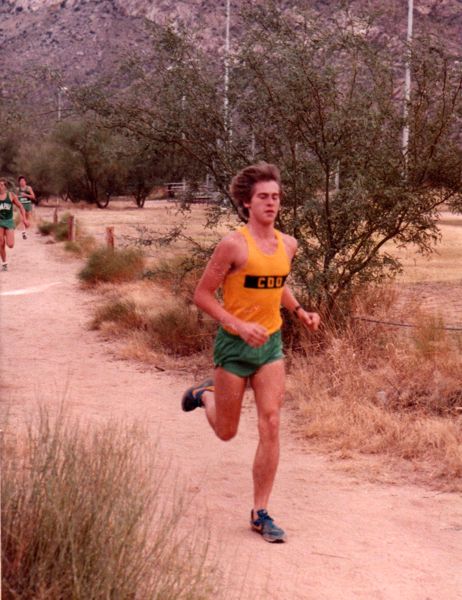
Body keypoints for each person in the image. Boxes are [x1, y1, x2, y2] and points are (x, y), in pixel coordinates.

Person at [181, 162, 320, 543]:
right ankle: (204, 394)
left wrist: (299, 311)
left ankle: (261, 512)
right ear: (246, 202)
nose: (271, 203)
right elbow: (202, 295)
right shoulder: (233, 245)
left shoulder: (288, 244)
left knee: (271, 423)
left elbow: (277, 283)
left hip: (270, 345)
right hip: (234, 346)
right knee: (227, 432)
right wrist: (238, 325)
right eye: (263, 197)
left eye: (275, 197)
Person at [0, 178, 29, 271]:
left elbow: (21, 207)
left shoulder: (11, 195)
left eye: (1, 185)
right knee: (1, 242)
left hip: (9, 221)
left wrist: (24, 219)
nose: (0, 187)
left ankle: (6, 239)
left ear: (5, 186)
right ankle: (4, 263)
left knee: (10, 244)